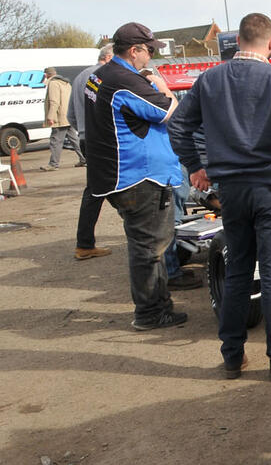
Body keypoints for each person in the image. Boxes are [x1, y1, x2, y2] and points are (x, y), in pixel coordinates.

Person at [169, 12, 271, 380]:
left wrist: (195, 166)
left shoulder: (209, 79)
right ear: (270, 43)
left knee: (237, 272)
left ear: (238, 41)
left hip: (231, 192)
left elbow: (178, 125)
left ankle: (232, 357)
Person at [85, 22, 186, 331]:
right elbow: (169, 109)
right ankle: (151, 312)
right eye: (149, 50)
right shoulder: (124, 81)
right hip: (140, 176)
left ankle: (156, 305)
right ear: (134, 51)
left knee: (142, 244)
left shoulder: (98, 76)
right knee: (150, 248)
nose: (151, 57)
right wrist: (160, 84)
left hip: (115, 173)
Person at [68, 46, 114, 259]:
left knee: (98, 189)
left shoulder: (79, 77)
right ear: (108, 57)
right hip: (104, 139)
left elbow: (70, 116)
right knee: (100, 190)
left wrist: (84, 131)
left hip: (87, 139)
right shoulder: (105, 75)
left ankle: (85, 243)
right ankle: (84, 244)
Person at [39, 67, 84, 171]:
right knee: (75, 140)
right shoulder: (66, 83)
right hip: (67, 116)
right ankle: (85, 159)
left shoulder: (53, 84)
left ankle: (53, 164)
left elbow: (54, 102)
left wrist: (50, 117)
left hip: (59, 117)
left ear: (46, 75)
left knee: (55, 141)